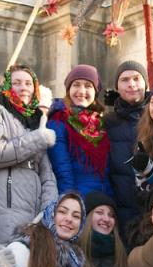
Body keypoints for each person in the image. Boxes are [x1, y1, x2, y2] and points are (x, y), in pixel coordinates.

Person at [0, 64, 57, 265]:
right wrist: (38, 138)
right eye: (16, 83)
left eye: (28, 83)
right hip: (7, 200)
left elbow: (46, 171)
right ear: (6, 85)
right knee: (5, 264)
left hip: (34, 202)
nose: (23, 88)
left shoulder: (34, 119)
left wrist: (49, 208)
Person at [47, 65, 112, 197]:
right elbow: (62, 170)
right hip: (78, 200)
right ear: (68, 89)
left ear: (95, 92)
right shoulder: (58, 121)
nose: (82, 91)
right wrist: (71, 201)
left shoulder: (101, 123)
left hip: (104, 200)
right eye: (76, 85)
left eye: (88, 86)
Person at [105, 61, 149, 232]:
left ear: (146, 84)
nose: (131, 84)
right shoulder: (108, 122)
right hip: (120, 213)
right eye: (124, 80)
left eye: (137, 78)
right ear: (116, 87)